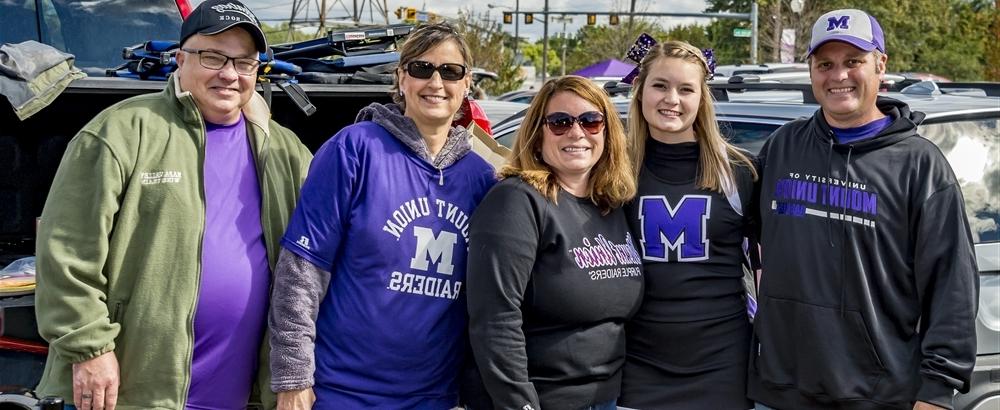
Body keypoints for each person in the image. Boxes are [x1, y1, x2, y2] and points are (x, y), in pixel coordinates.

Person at [33, 1, 313, 409]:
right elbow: (65, 252)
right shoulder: (122, 132)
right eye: (213, 56)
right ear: (181, 60)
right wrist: (89, 348)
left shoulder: (284, 149)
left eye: (244, 62)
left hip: (237, 395)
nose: (229, 74)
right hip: (130, 392)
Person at [748, 9, 979, 410]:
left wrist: (938, 392)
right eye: (825, 65)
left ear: (880, 65)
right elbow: (736, 237)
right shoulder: (784, 147)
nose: (838, 76)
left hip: (881, 395)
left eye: (853, 62)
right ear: (811, 71)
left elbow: (952, 285)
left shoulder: (918, 165)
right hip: (780, 389)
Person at [267, 23, 497, 409]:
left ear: (467, 83)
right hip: (341, 391)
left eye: (450, 71)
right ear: (401, 78)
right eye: (422, 69)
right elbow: (301, 271)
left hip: (434, 397)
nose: (436, 82)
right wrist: (293, 376)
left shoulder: (481, 177)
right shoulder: (354, 149)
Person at [466, 75, 643, 410]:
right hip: (538, 399)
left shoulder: (612, 204)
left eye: (591, 121)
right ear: (537, 135)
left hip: (605, 398)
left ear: (606, 133)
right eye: (560, 122)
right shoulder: (516, 201)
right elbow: (495, 318)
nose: (577, 133)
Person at [618, 40, 757, 410]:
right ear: (639, 89)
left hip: (722, 365)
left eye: (686, 89)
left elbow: (772, 265)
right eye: (660, 85)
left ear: (702, 97)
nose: (672, 99)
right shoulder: (613, 171)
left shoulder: (740, 172)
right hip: (637, 363)